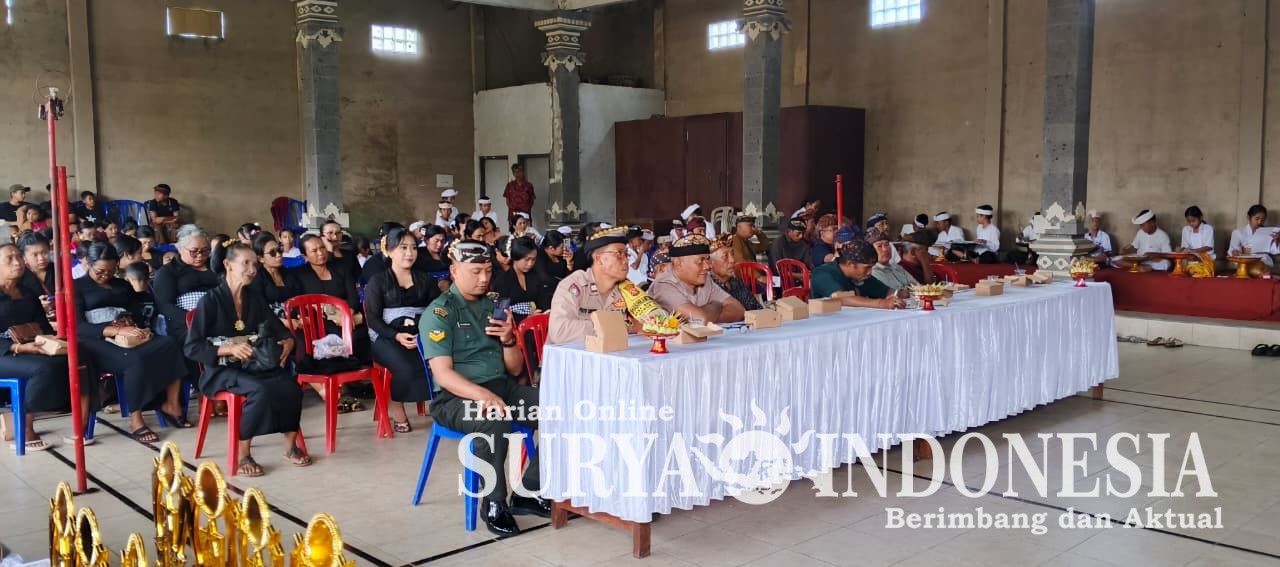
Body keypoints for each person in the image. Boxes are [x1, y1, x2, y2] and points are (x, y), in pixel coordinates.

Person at [420, 239, 549, 536]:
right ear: (454, 271)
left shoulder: (493, 306)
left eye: (488, 271)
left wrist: (509, 340)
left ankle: (529, 491)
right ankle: (493, 502)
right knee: (493, 419)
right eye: (475, 271)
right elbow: (443, 375)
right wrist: (484, 395)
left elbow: (515, 369)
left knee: (558, 409)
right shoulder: (440, 313)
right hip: (454, 398)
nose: (483, 278)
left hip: (501, 387)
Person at [185, 242, 307, 477]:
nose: (252, 270)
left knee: (290, 386)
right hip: (221, 370)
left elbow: (280, 330)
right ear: (228, 265)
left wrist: (288, 342)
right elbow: (192, 347)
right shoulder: (210, 301)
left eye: (254, 264)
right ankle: (244, 455)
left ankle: (290, 447)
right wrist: (228, 349)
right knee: (259, 390)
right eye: (246, 264)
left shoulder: (254, 298)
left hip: (254, 364)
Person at [75, 242, 191, 442]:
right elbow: (78, 326)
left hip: (126, 334)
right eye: (100, 271)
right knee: (134, 359)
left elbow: (136, 311)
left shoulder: (121, 285)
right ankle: (136, 419)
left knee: (170, 344)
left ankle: (171, 404)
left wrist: (130, 323)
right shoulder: (77, 287)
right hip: (95, 340)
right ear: (89, 264)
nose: (106, 275)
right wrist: (113, 330)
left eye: (111, 271)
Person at [0, 243, 94, 451]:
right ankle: (26, 427)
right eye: (9, 259)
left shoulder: (27, 292)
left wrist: (52, 343)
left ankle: (82, 424)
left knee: (80, 355)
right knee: (44, 368)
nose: (17, 262)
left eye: (19, 257)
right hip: (5, 352)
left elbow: (43, 327)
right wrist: (19, 348)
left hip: (32, 346)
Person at [364, 226, 439, 433]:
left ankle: (441, 408)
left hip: (420, 333)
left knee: (439, 360)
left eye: (413, 247)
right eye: (403, 248)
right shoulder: (378, 281)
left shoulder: (426, 280)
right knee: (404, 366)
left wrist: (424, 333)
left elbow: (436, 311)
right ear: (389, 251)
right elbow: (373, 319)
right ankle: (397, 408)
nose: (409, 253)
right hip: (386, 336)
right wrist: (396, 335)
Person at [290, 233, 369, 372]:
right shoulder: (299, 274)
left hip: (344, 315)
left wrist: (347, 315)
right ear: (305, 256)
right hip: (318, 319)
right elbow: (297, 302)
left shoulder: (341, 268)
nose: (320, 253)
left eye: (322, 248)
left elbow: (353, 297)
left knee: (361, 333)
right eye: (314, 251)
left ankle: (355, 372)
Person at [547, 226, 639, 344]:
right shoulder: (575, 285)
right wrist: (615, 327)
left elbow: (644, 321)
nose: (626, 260)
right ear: (599, 259)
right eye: (619, 254)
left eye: (626, 255)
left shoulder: (625, 289)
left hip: (610, 353)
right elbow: (560, 331)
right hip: (572, 354)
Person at [648, 235, 745, 324]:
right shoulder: (663, 285)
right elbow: (700, 319)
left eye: (707, 259)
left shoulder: (704, 279)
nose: (707, 266)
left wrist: (706, 316)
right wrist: (717, 305)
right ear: (678, 264)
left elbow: (739, 310)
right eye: (700, 261)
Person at [153, 225, 220, 347]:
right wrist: (194, 319)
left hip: (218, 315)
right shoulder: (168, 272)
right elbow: (165, 305)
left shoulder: (215, 267)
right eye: (194, 251)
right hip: (185, 322)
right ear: (180, 249)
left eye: (205, 250)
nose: (200, 256)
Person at [811, 239, 905, 309]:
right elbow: (841, 298)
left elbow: (887, 292)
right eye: (867, 267)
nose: (870, 272)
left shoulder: (863, 276)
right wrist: (881, 303)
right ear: (850, 264)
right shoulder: (822, 273)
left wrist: (902, 295)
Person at [491, 236, 552, 323]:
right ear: (515, 258)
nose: (530, 264)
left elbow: (543, 298)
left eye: (533, 259)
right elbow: (501, 311)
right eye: (526, 260)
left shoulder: (536, 275)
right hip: (513, 323)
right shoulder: (502, 281)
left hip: (537, 319)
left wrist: (544, 311)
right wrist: (526, 317)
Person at [249, 233, 297, 323]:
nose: (278, 255)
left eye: (279, 250)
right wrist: (283, 322)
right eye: (272, 253)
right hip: (272, 323)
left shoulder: (289, 273)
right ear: (260, 259)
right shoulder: (257, 278)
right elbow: (260, 309)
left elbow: (298, 297)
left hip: (296, 320)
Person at [709, 235, 763, 311]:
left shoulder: (736, 282)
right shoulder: (709, 287)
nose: (732, 260)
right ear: (710, 263)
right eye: (725, 257)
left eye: (732, 254)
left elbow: (756, 307)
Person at [17, 234, 57, 325]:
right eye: (35, 255)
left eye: (44, 252)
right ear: (24, 257)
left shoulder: (59, 270)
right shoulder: (19, 278)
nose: (41, 258)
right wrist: (38, 306)